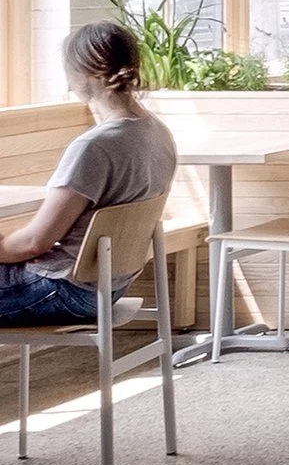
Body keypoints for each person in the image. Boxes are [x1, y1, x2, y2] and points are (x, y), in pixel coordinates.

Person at [0, 24, 180, 325]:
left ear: (84, 75)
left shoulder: (93, 147)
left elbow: (35, 242)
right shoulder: (157, 132)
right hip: (109, 287)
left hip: (63, 288)